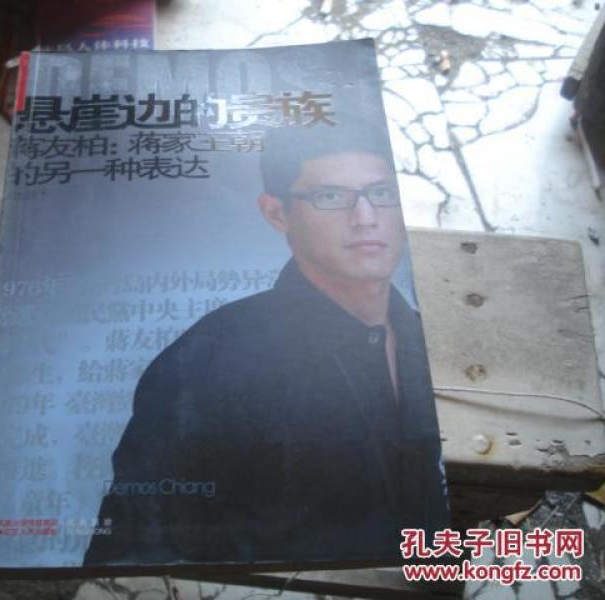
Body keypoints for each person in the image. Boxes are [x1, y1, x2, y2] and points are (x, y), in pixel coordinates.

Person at [83, 124, 449, 568]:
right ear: (277, 214)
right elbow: (131, 556)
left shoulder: (432, 339)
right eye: (331, 196)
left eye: (383, 192)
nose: (366, 216)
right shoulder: (207, 360)